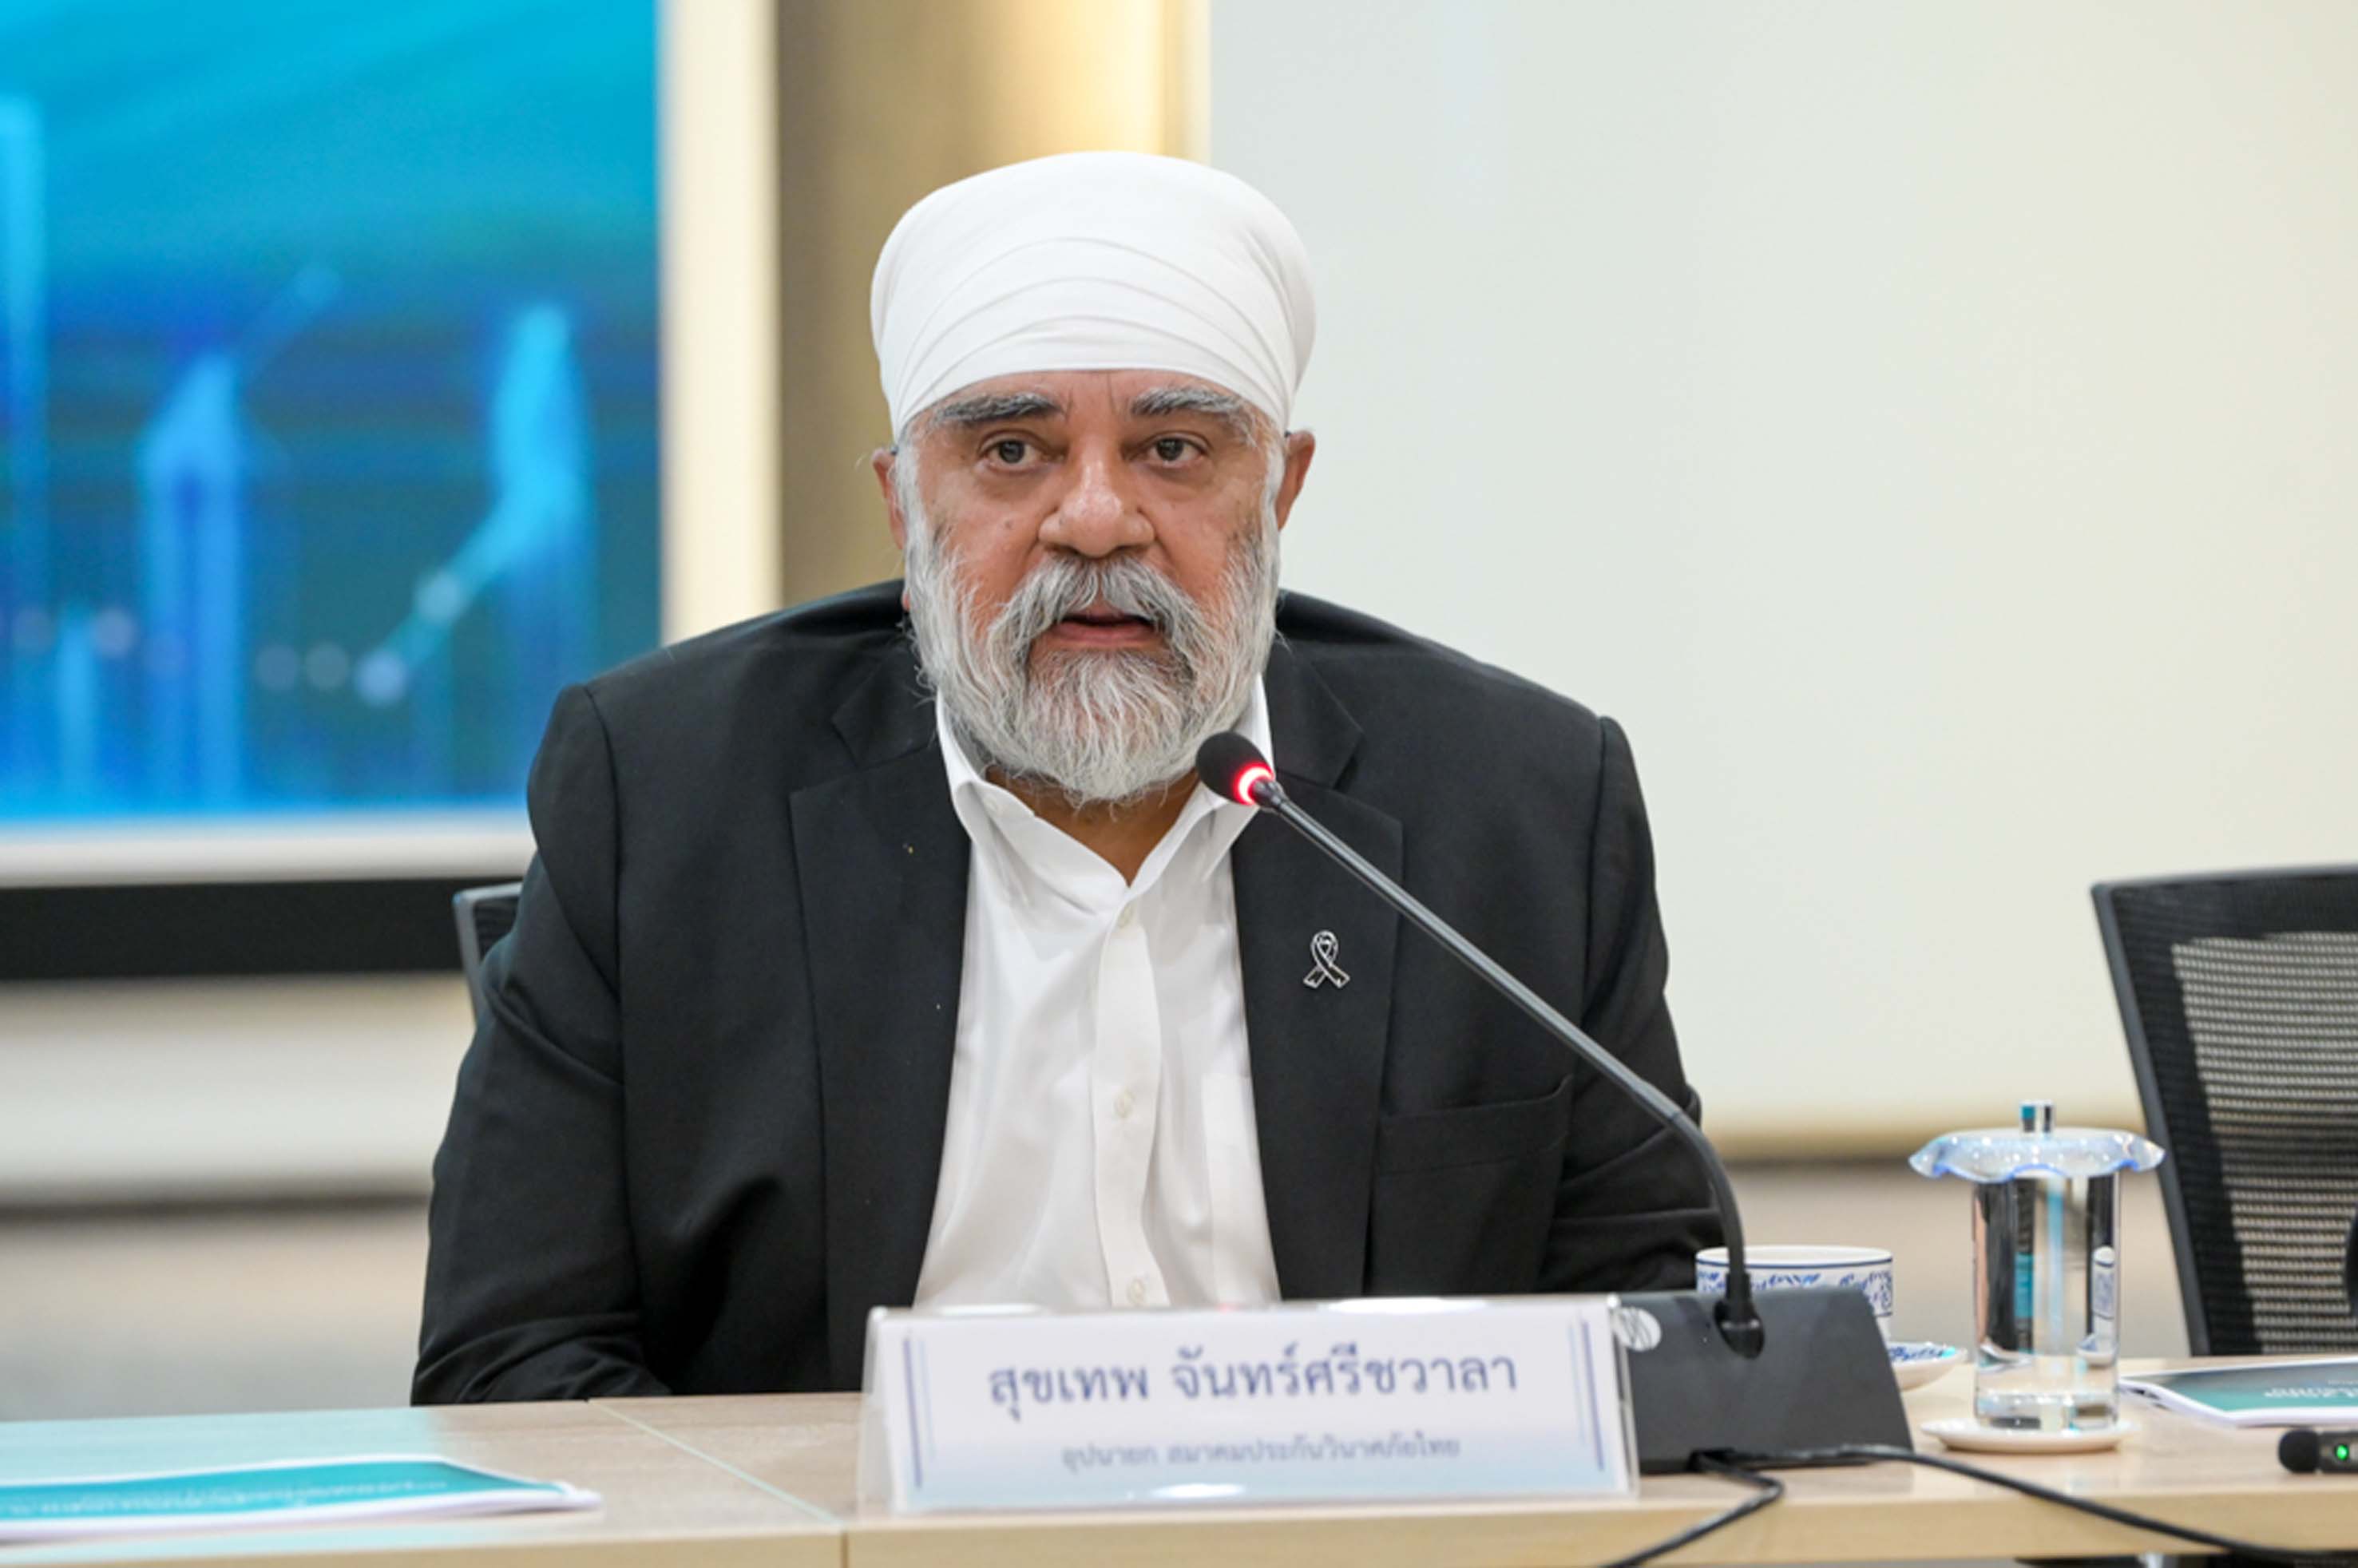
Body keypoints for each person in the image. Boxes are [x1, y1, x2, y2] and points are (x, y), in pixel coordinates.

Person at [414, 152, 1719, 1403]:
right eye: (1011, 451)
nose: (1095, 520)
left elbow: (1653, 1328)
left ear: (1280, 490)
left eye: (1174, 450)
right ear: (901, 503)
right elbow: (511, 1361)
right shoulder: (667, 794)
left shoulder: (1519, 807)